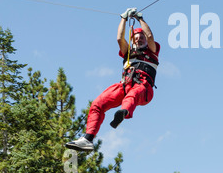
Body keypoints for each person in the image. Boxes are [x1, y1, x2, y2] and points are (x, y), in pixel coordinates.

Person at [66, 8, 160, 151]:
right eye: (136, 38)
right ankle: (88, 138)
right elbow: (119, 38)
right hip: (125, 85)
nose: (139, 39)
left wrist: (141, 19)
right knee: (98, 104)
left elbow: (150, 36)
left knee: (132, 95)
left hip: (143, 87)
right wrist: (123, 19)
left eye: (141, 38)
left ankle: (124, 112)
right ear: (132, 41)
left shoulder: (152, 50)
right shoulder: (127, 53)